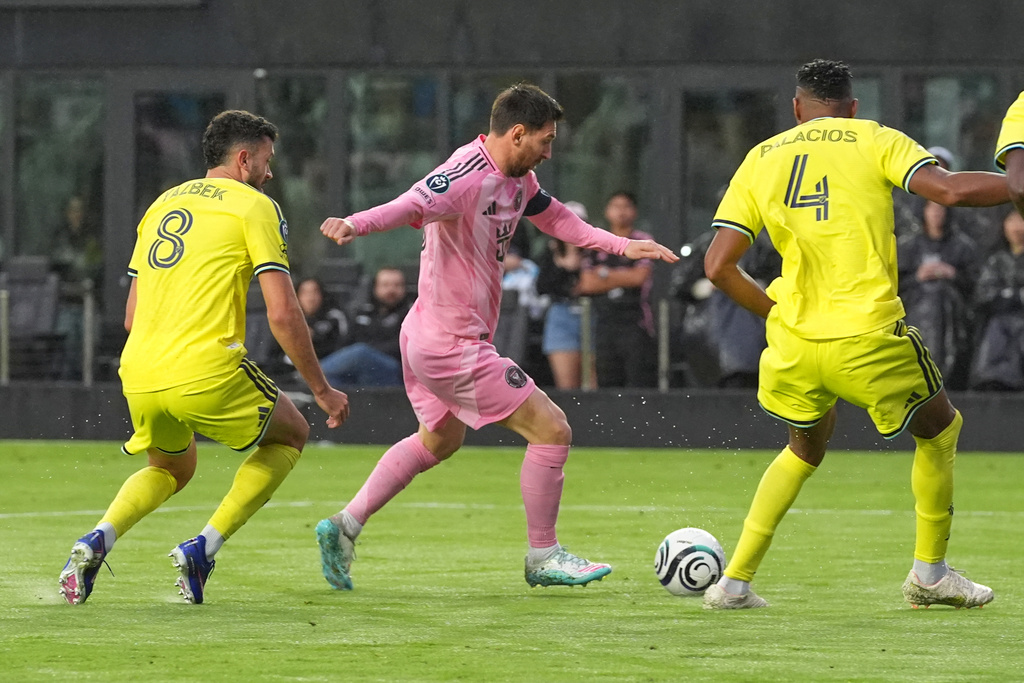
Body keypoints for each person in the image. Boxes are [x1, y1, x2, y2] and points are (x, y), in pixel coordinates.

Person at [317, 82, 678, 591]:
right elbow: (410, 205)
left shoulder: (518, 177)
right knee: (552, 429)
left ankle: (344, 525)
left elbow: (555, 217)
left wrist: (620, 246)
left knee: (439, 441)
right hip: (450, 344)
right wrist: (355, 223)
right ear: (518, 133)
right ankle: (543, 555)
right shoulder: (464, 175)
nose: (548, 153)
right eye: (545, 141)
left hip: (427, 333)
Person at [701, 59, 1006, 611]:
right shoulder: (874, 137)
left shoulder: (761, 156)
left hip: (794, 342)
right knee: (940, 429)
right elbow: (950, 192)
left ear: (798, 108)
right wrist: (1017, 185)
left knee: (803, 449)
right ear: (853, 106)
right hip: (866, 334)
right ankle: (930, 574)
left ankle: (733, 583)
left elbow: (718, 266)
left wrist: (775, 312)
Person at [57, 110, 350, 606]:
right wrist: (321, 389)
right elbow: (282, 313)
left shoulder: (161, 204)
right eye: (266, 161)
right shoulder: (255, 206)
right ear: (243, 159)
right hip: (207, 369)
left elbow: (131, 316)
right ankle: (202, 549)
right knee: (293, 433)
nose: (269, 173)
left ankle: (97, 539)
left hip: (140, 371)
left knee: (173, 468)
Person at [577, 191, 658, 388]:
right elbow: (587, 283)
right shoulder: (597, 241)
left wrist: (604, 274)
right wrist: (623, 277)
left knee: (638, 380)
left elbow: (639, 277)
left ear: (635, 211)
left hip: (636, 322)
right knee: (607, 380)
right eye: (616, 206)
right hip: (604, 322)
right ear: (607, 211)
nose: (621, 212)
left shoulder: (643, 240)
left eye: (626, 206)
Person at [897, 201, 979, 389]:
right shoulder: (908, 246)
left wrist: (953, 275)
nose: (936, 214)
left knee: (940, 297)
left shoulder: (962, 246)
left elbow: (975, 284)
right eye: (932, 208)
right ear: (923, 211)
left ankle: (944, 374)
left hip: (953, 311)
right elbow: (896, 285)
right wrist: (917, 277)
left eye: (940, 209)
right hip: (914, 306)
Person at [535, 201, 596, 390]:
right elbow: (542, 286)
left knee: (592, 380)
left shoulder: (594, 251)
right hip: (561, 312)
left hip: (590, 313)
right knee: (567, 385)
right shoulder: (551, 251)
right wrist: (564, 265)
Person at [320, 267, 411, 387]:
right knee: (333, 380)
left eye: (397, 285)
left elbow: (401, 346)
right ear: (375, 287)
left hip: (395, 369)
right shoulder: (362, 313)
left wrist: (369, 351)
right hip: (362, 370)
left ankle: (311, 374)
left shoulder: (411, 314)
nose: (391, 290)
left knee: (361, 352)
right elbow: (346, 343)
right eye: (385, 285)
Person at [969, 209, 1024, 390]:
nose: (1017, 228)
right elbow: (983, 294)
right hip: (999, 318)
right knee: (996, 328)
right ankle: (992, 379)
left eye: (1021, 221)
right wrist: (1007, 297)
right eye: (1012, 221)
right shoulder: (996, 260)